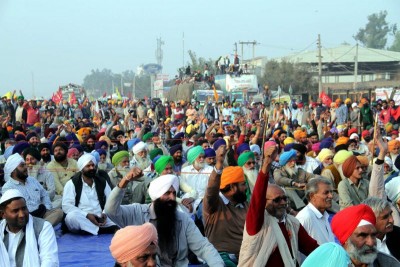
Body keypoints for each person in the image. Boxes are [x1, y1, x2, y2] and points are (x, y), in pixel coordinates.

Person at [104, 172, 224, 266]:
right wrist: (125, 181)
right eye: (167, 193)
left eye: (174, 193)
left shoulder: (183, 220)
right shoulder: (137, 212)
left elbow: (203, 247)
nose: (172, 198)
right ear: (156, 195)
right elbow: (111, 210)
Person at [238, 145, 319, 266]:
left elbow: (313, 249)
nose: (282, 202)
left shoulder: (292, 223)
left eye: (284, 198)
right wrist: (266, 165)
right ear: (264, 203)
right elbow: (257, 200)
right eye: (276, 200)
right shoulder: (257, 223)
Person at [203, 145, 248, 266]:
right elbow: (211, 189)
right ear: (233, 187)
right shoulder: (214, 205)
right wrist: (219, 164)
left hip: (246, 257)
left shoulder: (245, 204)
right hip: (220, 258)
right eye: (243, 184)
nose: (246, 188)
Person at [0, 189, 59, 267]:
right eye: (15, 211)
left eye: (24, 208)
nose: (22, 215)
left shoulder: (43, 227)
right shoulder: (1, 231)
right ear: (3, 214)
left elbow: (50, 261)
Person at [62, 154, 117, 235]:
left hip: (100, 217)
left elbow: (110, 201)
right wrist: (87, 215)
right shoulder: (72, 184)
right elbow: (66, 206)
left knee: (119, 215)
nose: (92, 168)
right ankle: (100, 230)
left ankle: (93, 229)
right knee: (71, 217)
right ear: (81, 168)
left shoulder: (102, 181)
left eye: (93, 165)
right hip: (83, 218)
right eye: (88, 166)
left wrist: (105, 213)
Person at [2, 153, 63, 227]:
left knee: (59, 212)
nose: (26, 167)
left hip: (42, 213)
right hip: (25, 217)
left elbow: (44, 195)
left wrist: (46, 208)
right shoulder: (8, 188)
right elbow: (15, 210)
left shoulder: (32, 180)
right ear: (13, 171)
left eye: (25, 164)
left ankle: (38, 229)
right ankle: (42, 228)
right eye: (22, 166)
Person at [331, 204, 400, 266]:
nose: (371, 242)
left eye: (373, 235)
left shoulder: (388, 263)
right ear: (346, 240)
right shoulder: (332, 263)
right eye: (362, 235)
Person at [296, 178, 335, 244]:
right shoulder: (305, 217)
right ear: (312, 196)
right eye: (326, 193)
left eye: (331, 192)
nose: (331, 196)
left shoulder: (324, 215)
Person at [363, 197, 400, 261]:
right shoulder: (360, 245)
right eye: (385, 217)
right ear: (370, 220)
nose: (391, 220)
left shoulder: (397, 233)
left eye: (390, 214)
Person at [180, 145, 213, 212]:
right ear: (193, 159)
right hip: (188, 200)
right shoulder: (185, 170)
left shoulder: (210, 170)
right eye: (199, 157)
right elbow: (183, 188)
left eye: (203, 157)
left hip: (205, 201)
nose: (202, 159)